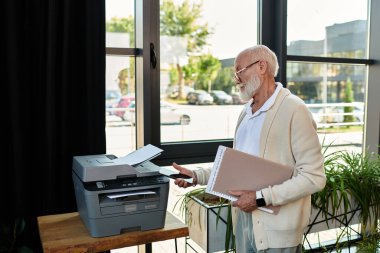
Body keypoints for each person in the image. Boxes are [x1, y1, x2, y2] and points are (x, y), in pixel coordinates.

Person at [172, 45, 326, 253]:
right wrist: (197, 176)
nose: (236, 79)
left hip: (278, 231)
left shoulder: (294, 110)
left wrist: (260, 198)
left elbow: (314, 177)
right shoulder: (245, 113)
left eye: (239, 71)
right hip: (244, 223)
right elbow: (237, 167)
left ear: (262, 66)